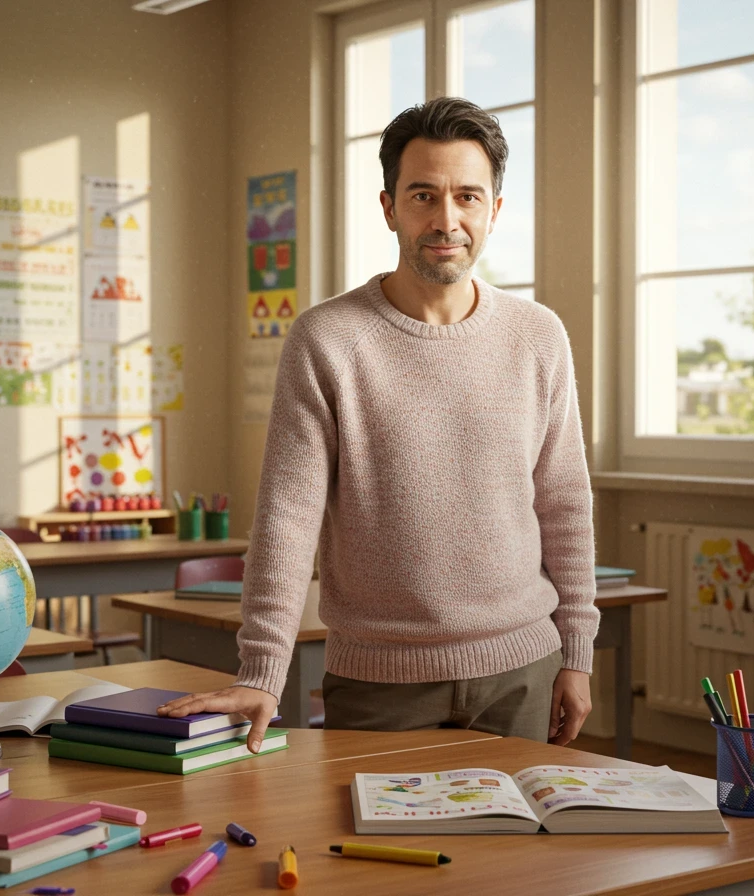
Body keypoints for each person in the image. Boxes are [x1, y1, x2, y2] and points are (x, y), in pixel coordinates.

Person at [159, 96, 599, 752]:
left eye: (467, 198)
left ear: (495, 211)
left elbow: (564, 504)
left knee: (516, 855)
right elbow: (287, 518)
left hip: (522, 674)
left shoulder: (539, 335)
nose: (446, 220)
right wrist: (261, 674)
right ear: (389, 205)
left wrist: (577, 653)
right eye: (423, 195)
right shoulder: (327, 338)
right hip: (379, 685)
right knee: (378, 856)